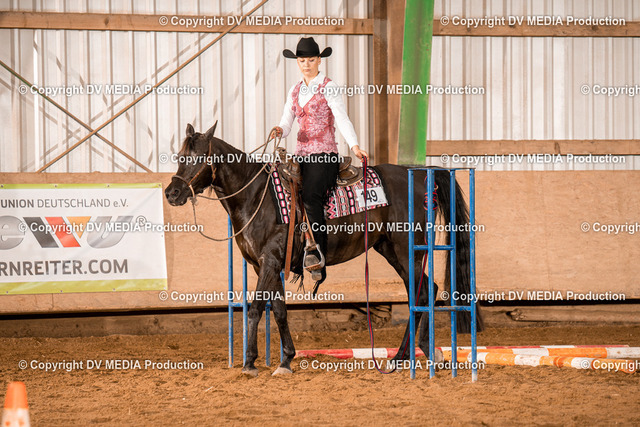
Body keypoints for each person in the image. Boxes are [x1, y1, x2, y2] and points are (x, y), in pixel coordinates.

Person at [272, 37, 368, 286]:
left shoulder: (329, 87)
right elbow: (286, 121)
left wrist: (354, 145)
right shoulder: (295, 90)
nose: (306, 64)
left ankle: (318, 254)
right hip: (300, 156)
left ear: (319, 61)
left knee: (311, 195)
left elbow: (342, 118)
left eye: (311, 60)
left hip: (324, 155)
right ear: (297, 62)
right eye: (302, 60)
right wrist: (280, 130)